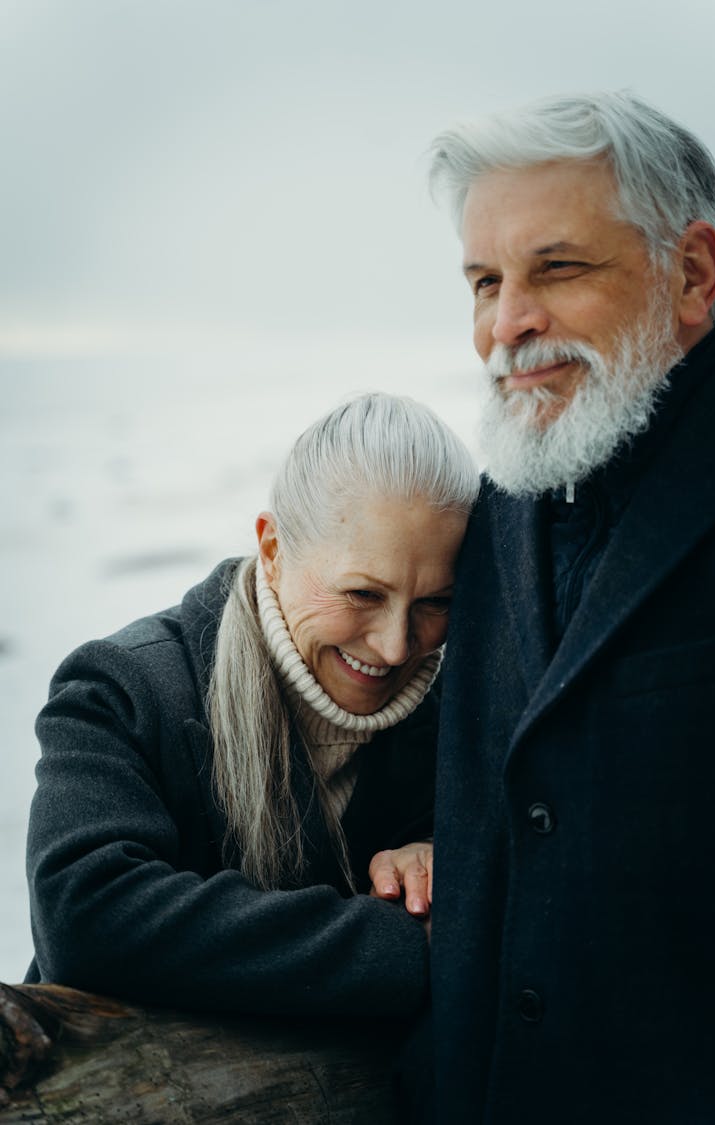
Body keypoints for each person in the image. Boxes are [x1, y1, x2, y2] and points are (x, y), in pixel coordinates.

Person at [422, 92, 715, 1122]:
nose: (507, 326)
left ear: (692, 273)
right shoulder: (498, 502)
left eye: (556, 270)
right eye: (485, 282)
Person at [26, 392, 478, 1019]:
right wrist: (406, 943)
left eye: (435, 602)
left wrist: (439, 857)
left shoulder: (463, 717)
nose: (398, 644)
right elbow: (86, 915)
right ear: (271, 549)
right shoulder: (124, 690)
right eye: (363, 594)